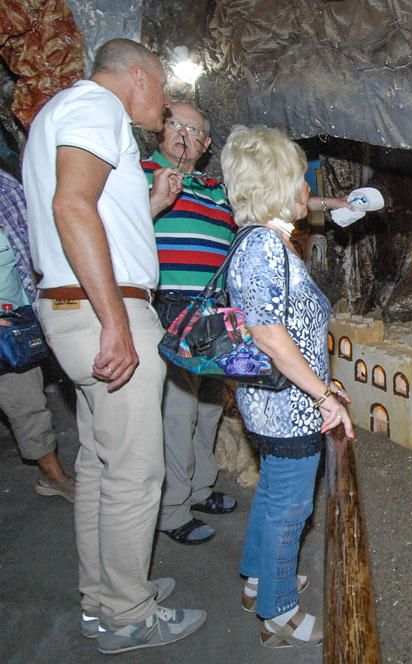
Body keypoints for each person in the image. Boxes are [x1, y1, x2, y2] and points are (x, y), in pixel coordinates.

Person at [21, 38, 205, 654]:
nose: (168, 109)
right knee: (136, 469)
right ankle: (130, 613)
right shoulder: (97, 108)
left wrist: (149, 205)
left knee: (102, 464)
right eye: (164, 92)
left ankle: (102, 597)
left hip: (76, 306)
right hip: (105, 308)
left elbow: (92, 210)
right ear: (137, 76)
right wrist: (117, 322)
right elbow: (71, 205)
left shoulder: (62, 113)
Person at [221, 124, 354, 648]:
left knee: (276, 493)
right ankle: (278, 613)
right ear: (277, 185)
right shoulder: (264, 247)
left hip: (279, 400)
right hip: (289, 407)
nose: (307, 190)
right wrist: (322, 395)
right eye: (301, 180)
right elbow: (272, 335)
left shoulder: (267, 240)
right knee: (290, 508)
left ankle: (259, 580)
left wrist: (322, 380)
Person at [142, 102, 238, 545]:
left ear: (206, 145)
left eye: (195, 130)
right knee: (177, 410)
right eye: (176, 125)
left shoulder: (216, 188)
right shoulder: (142, 173)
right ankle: (173, 508)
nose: (184, 135)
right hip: (170, 302)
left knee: (210, 405)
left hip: (214, 308)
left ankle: (200, 488)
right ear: (161, 132)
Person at [0, 169, 74, 502]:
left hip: (15, 322)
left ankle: (53, 476)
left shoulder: (6, 186)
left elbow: (37, 243)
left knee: (26, 401)